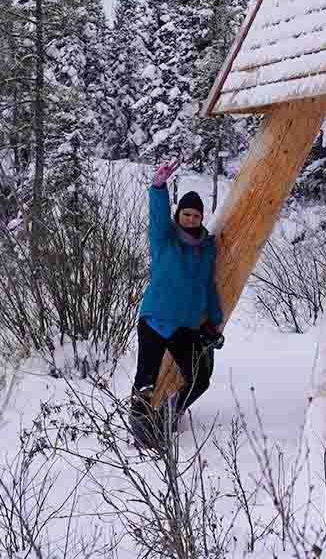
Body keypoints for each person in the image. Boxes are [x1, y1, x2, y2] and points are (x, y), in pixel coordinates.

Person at [129, 162, 226, 449]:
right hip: (155, 320)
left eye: (196, 215)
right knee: (145, 381)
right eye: (187, 214)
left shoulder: (207, 248)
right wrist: (158, 188)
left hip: (184, 327)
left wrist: (215, 321)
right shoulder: (165, 239)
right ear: (178, 215)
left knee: (199, 379)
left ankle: (167, 417)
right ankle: (140, 433)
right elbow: (157, 216)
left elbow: (208, 286)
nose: (192, 219)